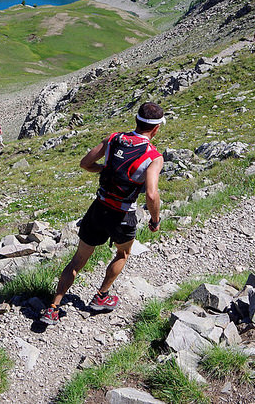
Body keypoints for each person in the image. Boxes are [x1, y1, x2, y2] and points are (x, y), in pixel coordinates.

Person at [40, 102, 165, 325]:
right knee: (122, 254)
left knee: (78, 260)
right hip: (123, 215)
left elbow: (86, 163)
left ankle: (53, 307)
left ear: (136, 121)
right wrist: (155, 220)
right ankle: (101, 296)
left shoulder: (114, 138)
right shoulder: (153, 156)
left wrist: (104, 169)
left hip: (99, 208)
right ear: (156, 129)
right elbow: (152, 195)